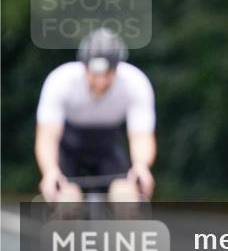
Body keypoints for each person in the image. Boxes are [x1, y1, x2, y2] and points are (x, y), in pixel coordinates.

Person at [35, 28, 156, 204]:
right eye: (95, 74)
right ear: (84, 66)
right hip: (69, 148)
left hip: (108, 148)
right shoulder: (60, 81)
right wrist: (50, 172)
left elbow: (141, 135)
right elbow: (47, 136)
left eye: (108, 74)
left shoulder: (135, 83)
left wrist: (141, 166)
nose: (101, 81)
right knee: (65, 202)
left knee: (127, 199)